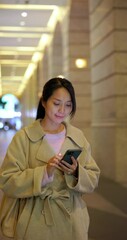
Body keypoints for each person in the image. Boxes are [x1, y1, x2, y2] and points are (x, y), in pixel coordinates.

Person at [0, 77, 100, 240]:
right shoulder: (24, 137)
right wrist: (43, 173)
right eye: (57, 103)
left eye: (68, 105)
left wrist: (76, 173)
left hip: (73, 220)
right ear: (44, 102)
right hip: (35, 220)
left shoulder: (77, 136)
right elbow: (6, 180)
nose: (62, 110)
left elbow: (93, 177)